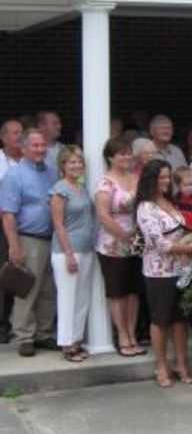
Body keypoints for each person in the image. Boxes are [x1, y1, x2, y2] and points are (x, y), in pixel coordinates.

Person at [135, 160, 192, 387]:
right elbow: (158, 243)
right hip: (158, 272)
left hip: (181, 270)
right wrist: (188, 248)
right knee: (161, 320)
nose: (165, 181)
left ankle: (182, 364)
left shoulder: (170, 202)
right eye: (161, 177)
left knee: (180, 320)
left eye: (167, 177)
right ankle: (161, 366)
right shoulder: (145, 207)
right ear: (150, 179)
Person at [0, 128, 58, 356]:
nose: (40, 149)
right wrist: (14, 246)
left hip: (51, 238)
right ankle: (24, 336)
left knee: (48, 290)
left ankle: (43, 333)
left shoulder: (51, 172)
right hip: (28, 239)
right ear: (23, 148)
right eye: (35, 146)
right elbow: (7, 214)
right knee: (28, 288)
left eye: (43, 145)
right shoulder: (14, 175)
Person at [95, 137, 143, 357]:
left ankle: (132, 334)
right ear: (110, 157)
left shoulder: (137, 178)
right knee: (118, 291)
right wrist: (124, 236)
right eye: (121, 153)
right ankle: (122, 335)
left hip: (138, 242)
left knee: (134, 291)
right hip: (113, 244)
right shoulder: (105, 183)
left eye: (128, 152)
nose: (126, 157)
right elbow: (103, 216)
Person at [50, 146, 95, 362]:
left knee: (82, 297)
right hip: (67, 251)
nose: (76, 165)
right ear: (63, 165)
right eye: (71, 162)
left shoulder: (82, 187)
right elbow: (58, 224)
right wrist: (68, 254)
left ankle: (77, 340)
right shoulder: (60, 189)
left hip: (86, 249)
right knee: (67, 298)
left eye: (79, 162)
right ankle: (66, 344)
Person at [0, 118, 23, 343]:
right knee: (4, 274)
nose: (19, 136)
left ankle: (18, 323)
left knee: (21, 275)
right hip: (2, 224)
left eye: (21, 132)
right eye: (15, 133)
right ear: (4, 137)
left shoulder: (28, 162)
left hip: (23, 226)